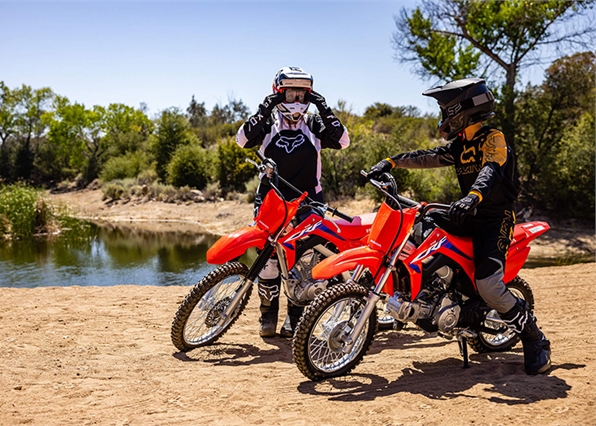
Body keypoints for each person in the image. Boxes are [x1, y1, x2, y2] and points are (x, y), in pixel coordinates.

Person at [367, 78, 551, 375]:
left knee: (489, 286)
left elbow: (491, 170)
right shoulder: (461, 144)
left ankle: (535, 339)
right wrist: (391, 162)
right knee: (424, 219)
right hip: (468, 213)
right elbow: (428, 156)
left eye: (446, 111)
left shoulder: (494, 138)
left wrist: (473, 196)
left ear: (461, 111)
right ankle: (433, 295)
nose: (443, 117)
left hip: (495, 219)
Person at [236, 66, 350, 338]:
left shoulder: (313, 122)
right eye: (290, 94)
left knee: (305, 260)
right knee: (268, 257)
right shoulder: (268, 122)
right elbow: (242, 140)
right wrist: (265, 107)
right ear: (278, 93)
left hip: (309, 199)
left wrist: (324, 108)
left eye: (302, 94)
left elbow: (343, 141)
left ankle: (295, 319)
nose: (296, 100)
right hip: (271, 197)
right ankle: (268, 315)